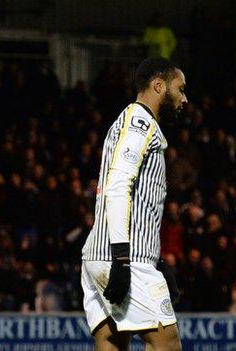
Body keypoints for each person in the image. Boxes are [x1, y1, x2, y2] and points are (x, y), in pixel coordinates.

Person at [81, 57, 187, 350]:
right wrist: (124, 259)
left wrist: (156, 259)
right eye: (180, 89)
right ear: (158, 85)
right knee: (166, 344)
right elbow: (117, 188)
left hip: (102, 254)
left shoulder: (127, 123)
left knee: (112, 341)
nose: (184, 98)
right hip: (125, 257)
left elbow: (138, 202)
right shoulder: (140, 123)